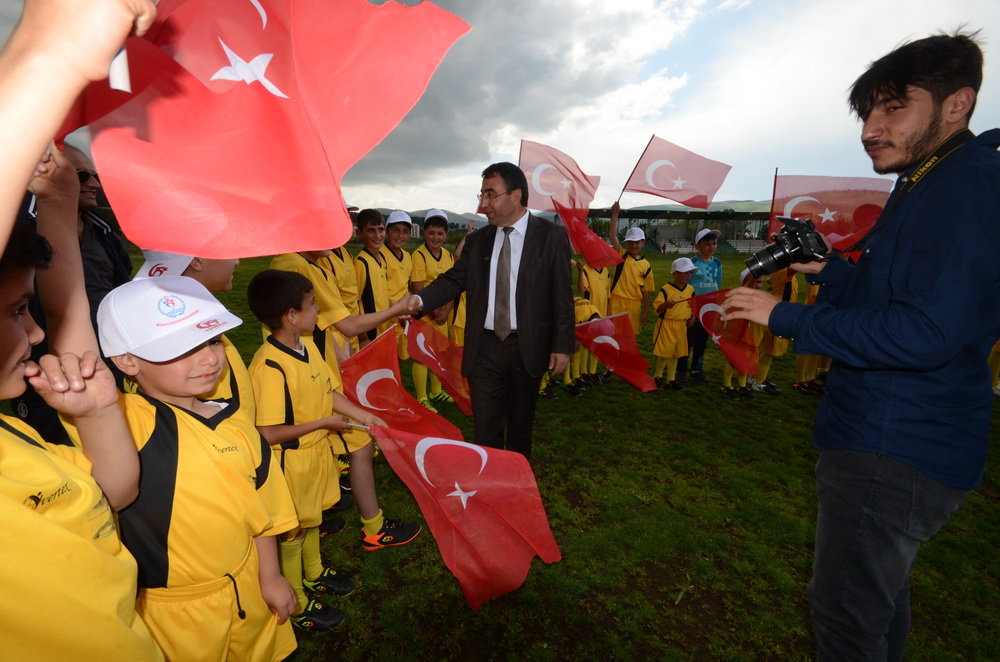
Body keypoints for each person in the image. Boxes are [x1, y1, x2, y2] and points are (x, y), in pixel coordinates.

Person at [723, 32, 1000, 660]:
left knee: (845, 617)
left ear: (957, 104)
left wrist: (787, 316)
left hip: (894, 441)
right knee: (878, 604)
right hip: (888, 432)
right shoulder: (926, 178)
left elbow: (926, 332)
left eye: (893, 108)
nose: (871, 129)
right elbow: (901, 301)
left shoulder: (965, 185)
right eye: (867, 112)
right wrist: (836, 273)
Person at [1, 153, 161, 660]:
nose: (35, 334)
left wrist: (96, 415)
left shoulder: (15, 439)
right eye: (15, 312)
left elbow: (112, 492)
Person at [247, 270, 421, 563]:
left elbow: (327, 393)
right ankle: (300, 599)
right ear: (291, 315)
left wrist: (365, 416)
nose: (318, 309)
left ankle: (315, 575)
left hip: (315, 456)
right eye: (312, 304)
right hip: (291, 463)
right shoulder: (269, 367)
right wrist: (324, 423)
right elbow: (267, 432)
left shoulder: (306, 347)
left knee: (312, 518)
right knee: (294, 531)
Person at [408, 162, 574, 458]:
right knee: (486, 427)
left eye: (490, 194)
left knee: (521, 426)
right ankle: (490, 484)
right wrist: (419, 301)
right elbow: (453, 280)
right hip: (484, 348)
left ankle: (517, 485)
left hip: (527, 347)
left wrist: (561, 345)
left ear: (516, 195)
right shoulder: (478, 241)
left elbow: (562, 296)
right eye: (481, 195)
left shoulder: (551, 237)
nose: (483, 204)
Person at [410, 210, 456, 410]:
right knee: (422, 355)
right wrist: (434, 311)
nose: (435, 238)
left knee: (439, 354)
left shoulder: (447, 255)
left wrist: (446, 311)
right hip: (425, 313)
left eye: (440, 233)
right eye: (431, 233)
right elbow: (418, 287)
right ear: (424, 233)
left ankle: (436, 391)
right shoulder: (419, 255)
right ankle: (421, 396)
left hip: (442, 314)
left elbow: (454, 285)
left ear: (446, 234)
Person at [678, 228, 721, 384]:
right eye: (707, 244)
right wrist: (689, 312)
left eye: (714, 243)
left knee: (702, 343)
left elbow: (717, 285)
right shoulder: (692, 264)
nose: (711, 247)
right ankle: (681, 371)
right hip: (693, 310)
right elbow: (685, 288)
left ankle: (697, 370)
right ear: (697, 246)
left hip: (708, 311)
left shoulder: (717, 263)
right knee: (687, 341)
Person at [607, 201, 653, 336]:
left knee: (628, 336)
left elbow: (646, 290)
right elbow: (612, 236)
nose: (633, 245)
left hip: (634, 304)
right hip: (616, 301)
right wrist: (615, 215)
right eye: (630, 242)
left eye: (637, 242)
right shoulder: (621, 254)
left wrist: (645, 310)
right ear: (626, 243)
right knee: (613, 334)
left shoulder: (646, 265)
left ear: (643, 243)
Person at [651, 257, 696, 391]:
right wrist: (666, 304)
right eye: (686, 272)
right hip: (667, 325)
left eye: (691, 272)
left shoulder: (690, 289)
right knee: (665, 352)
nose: (689, 275)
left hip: (682, 326)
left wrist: (693, 316)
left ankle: (671, 379)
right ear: (676, 274)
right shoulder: (666, 289)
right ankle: (657, 376)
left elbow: (693, 305)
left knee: (676, 353)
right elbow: (657, 309)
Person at [354, 209, 392, 344]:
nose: (377, 235)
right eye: (371, 230)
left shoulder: (382, 258)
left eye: (380, 230)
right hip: (371, 333)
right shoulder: (361, 262)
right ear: (360, 233)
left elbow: (382, 295)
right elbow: (356, 303)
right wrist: (363, 337)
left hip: (384, 328)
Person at [381, 210, 414, 362]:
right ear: (387, 231)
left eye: (405, 232)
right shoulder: (379, 255)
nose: (401, 236)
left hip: (402, 317)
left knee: (398, 362)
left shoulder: (407, 256)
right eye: (396, 230)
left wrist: (407, 311)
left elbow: (406, 286)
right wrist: (396, 312)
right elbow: (380, 290)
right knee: (384, 363)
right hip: (385, 319)